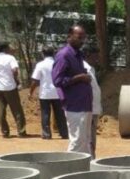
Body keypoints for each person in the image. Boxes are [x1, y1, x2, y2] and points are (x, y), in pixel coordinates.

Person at [51, 26, 94, 154]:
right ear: (69, 36)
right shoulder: (64, 55)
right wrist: (79, 77)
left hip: (84, 103)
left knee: (86, 140)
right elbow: (57, 80)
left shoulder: (78, 55)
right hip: (74, 105)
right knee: (77, 141)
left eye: (84, 38)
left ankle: (87, 170)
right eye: (79, 37)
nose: (82, 41)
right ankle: (71, 169)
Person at [28, 46, 67, 140]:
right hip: (57, 92)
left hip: (45, 93)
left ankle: (46, 134)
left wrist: (31, 92)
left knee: (45, 113)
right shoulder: (58, 63)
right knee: (60, 114)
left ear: (43, 54)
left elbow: (35, 80)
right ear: (54, 54)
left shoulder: (40, 65)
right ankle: (64, 133)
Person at [83, 47, 101, 158]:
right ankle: (90, 160)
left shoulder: (90, 68)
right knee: (89, 137)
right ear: (88, 55)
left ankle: (92, 158)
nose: (97, 59)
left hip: (93, 108)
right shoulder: (84, 68)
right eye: (95, 56)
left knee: (91, 136)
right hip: (89, 108)